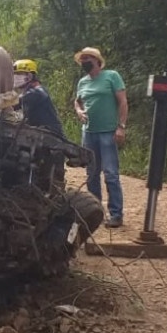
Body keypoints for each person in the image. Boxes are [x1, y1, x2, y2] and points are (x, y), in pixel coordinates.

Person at [74, 47, 128, 228]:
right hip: (88, 132)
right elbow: (78, 101)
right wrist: (79, 111)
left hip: (108, 131)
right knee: (91, 174)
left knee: (111, 174)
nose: (84, 62)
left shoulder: (112, 76)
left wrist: (121, 127)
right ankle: (94, 212)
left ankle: (116, 214)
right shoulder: (82, 82)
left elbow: (122, 101)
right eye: (82, 60)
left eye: (87, 59)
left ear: (97, 60)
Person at [14, 58, 66, 191]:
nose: (16, 78)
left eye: (19, 74)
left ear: (29, 76)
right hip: (40, 134)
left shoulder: (38, 91)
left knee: (52, 176)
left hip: (51, 136)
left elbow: (16, 103)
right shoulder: (28, 92)